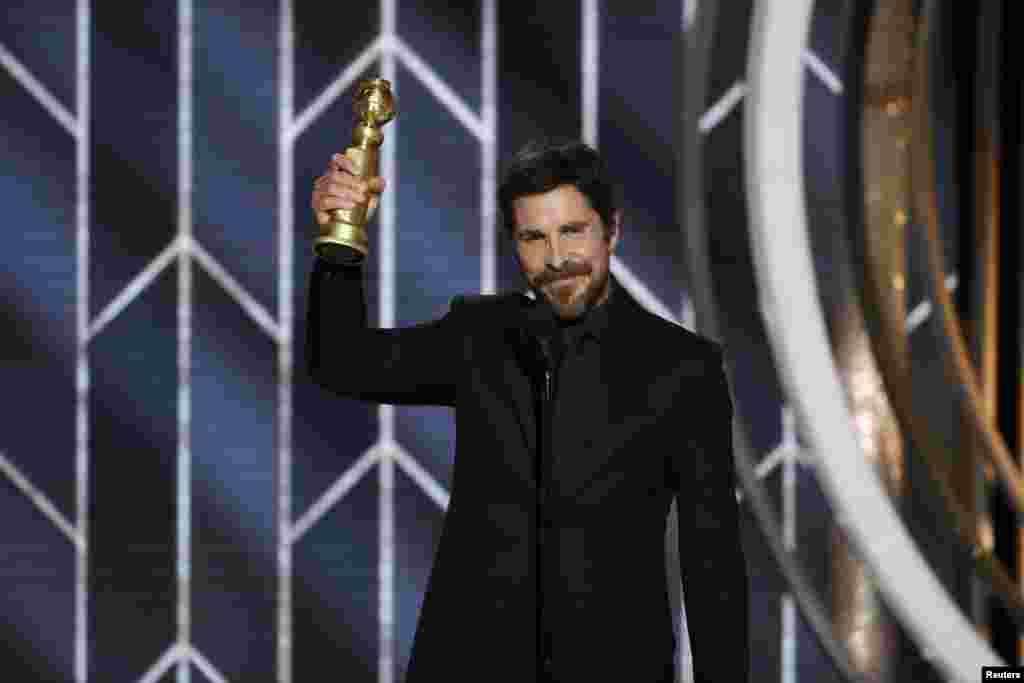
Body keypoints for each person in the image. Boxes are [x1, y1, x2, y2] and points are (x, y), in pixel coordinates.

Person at [307, 138, 748, 683]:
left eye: (573, 231)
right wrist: (340, 240)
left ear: (613, 230)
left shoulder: (683, 368)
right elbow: (341, 363)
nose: (557, 258)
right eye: (534, 237)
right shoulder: (480, 338)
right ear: (513, 245)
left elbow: (713, 561)